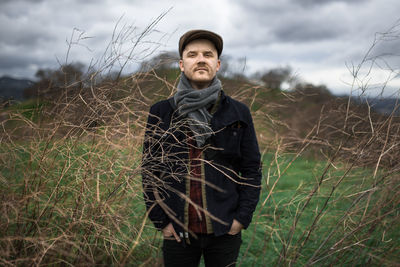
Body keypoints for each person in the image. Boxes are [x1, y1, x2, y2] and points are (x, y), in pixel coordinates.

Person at [142, 29, 262, 267]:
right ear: (181, 64)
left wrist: (241, 219)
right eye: (192, 54)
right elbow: (149, 172)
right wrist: (162, 222)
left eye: (208, 54)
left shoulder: (238, 112)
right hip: (178, 231)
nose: (200, 59)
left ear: (217, 65)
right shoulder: (161, 112)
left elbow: (251, 170)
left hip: (224, 230)